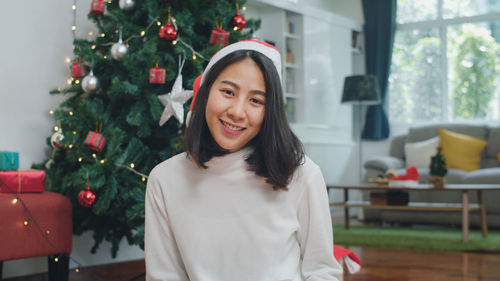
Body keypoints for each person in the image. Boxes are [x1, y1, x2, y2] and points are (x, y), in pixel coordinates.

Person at [145, 40, 342, 281]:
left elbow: (322, 272)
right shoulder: (164, 179)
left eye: (256, 101)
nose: (237, 112)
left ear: (270, 111)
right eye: (228, 92)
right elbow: (164, 276)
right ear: (205, 94)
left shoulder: (301, 174)